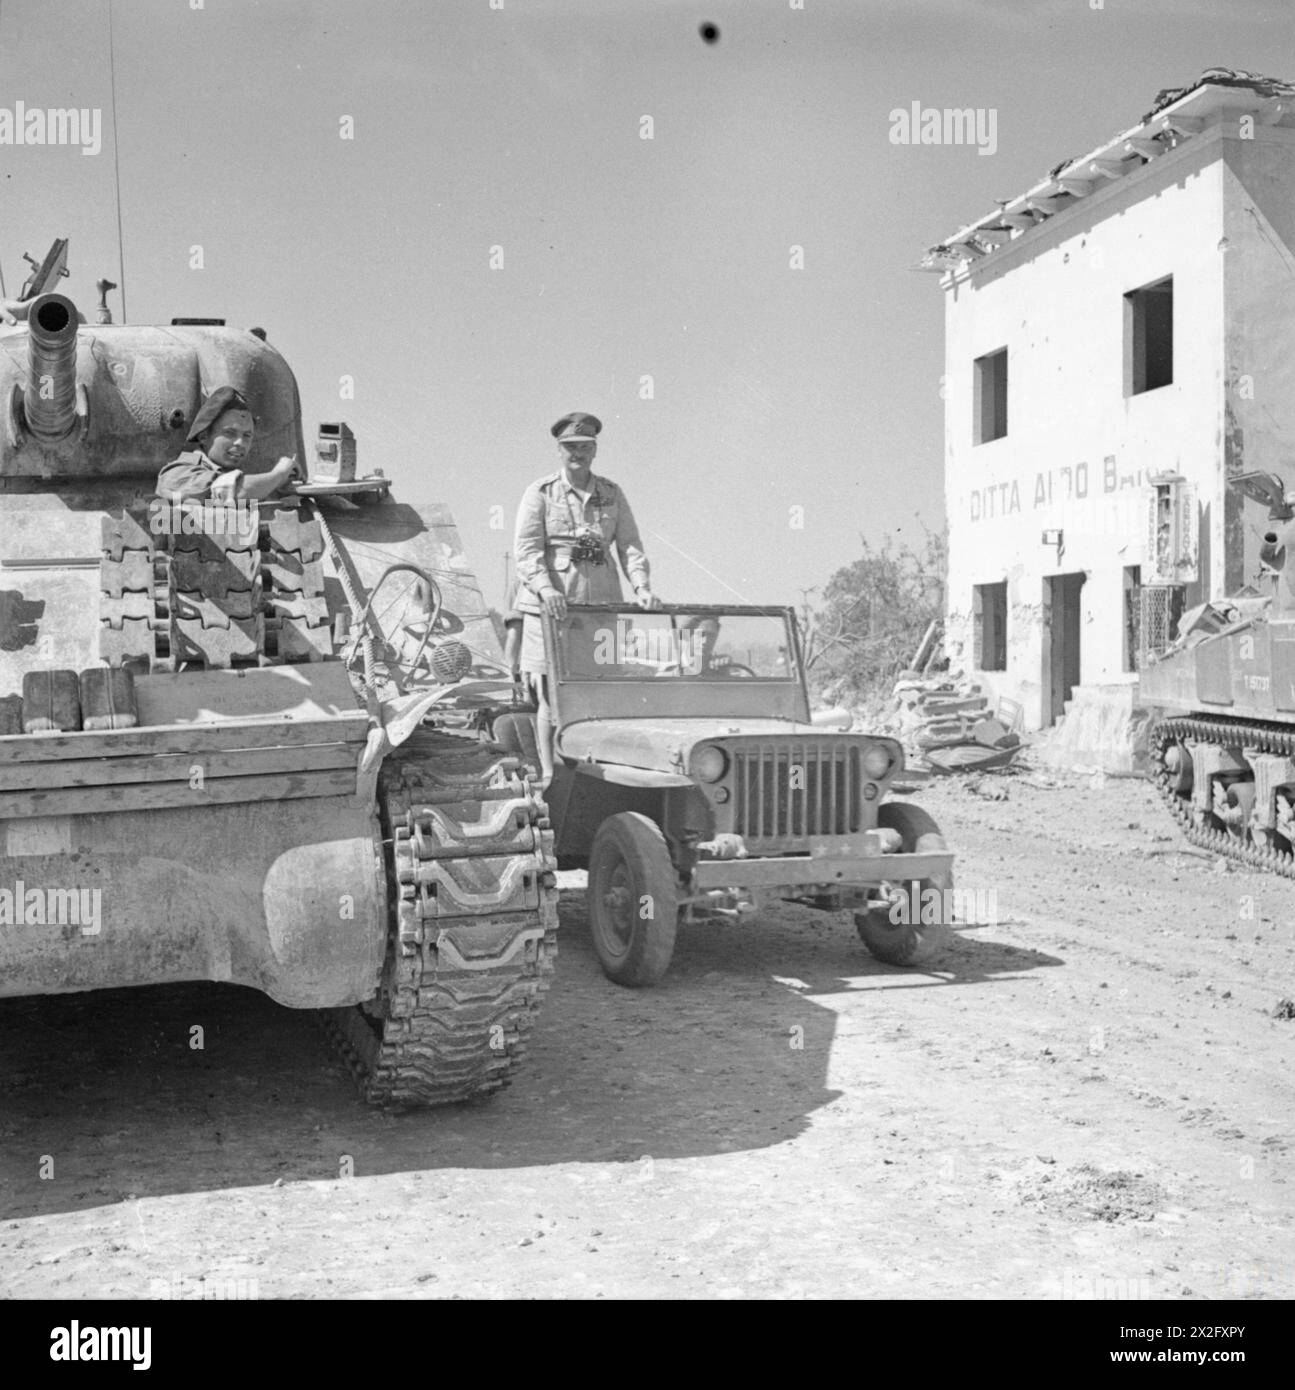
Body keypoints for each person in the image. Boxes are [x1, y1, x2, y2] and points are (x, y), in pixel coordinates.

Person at [514, 411, 660, 782]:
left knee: (600, 687)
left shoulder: (611, 493)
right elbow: (527, 551)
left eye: (584, 447)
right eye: (569, 447)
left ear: (594, 450)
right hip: (552, 609)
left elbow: (629, 546)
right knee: (551, 694)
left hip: (600, 607)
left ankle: (594, 769)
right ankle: (551, 776)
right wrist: (546, 590)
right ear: (559, 451)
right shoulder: (540, 493)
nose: (577, 453)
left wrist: (641, 586)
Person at [155, 386, 298, 503]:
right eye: (230, 433)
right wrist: (279, 474)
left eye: (247, 435)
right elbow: (234, 491)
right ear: (204, 436)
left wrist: (286, 480)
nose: (240, 442)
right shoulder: (177, 473)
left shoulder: (226, 474)